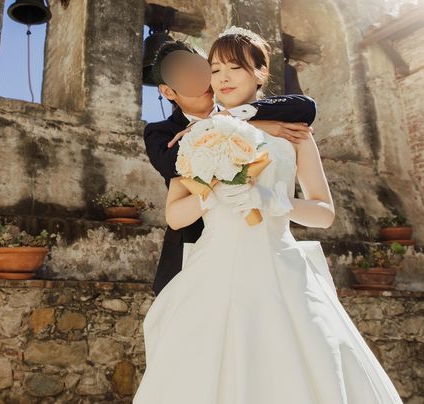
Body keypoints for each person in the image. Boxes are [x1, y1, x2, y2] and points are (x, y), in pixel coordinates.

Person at [134, 27, 403, 403]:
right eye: (215, 69)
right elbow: (176, 216)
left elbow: (324, 213)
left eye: (235, 67)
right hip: (211, 267)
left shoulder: (294, 132)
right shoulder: (197, 136)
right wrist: (211, 193)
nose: (223, 77)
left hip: (279, 264)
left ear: (260, 73)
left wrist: (275, 201)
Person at [144, 39, 317, 296]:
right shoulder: (162, 133)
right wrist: (237, 126)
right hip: (193, 251)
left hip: (259, 250)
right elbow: (174, 165)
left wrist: (233, 118)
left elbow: (304, 106)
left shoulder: (245, 111)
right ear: (168, 91)